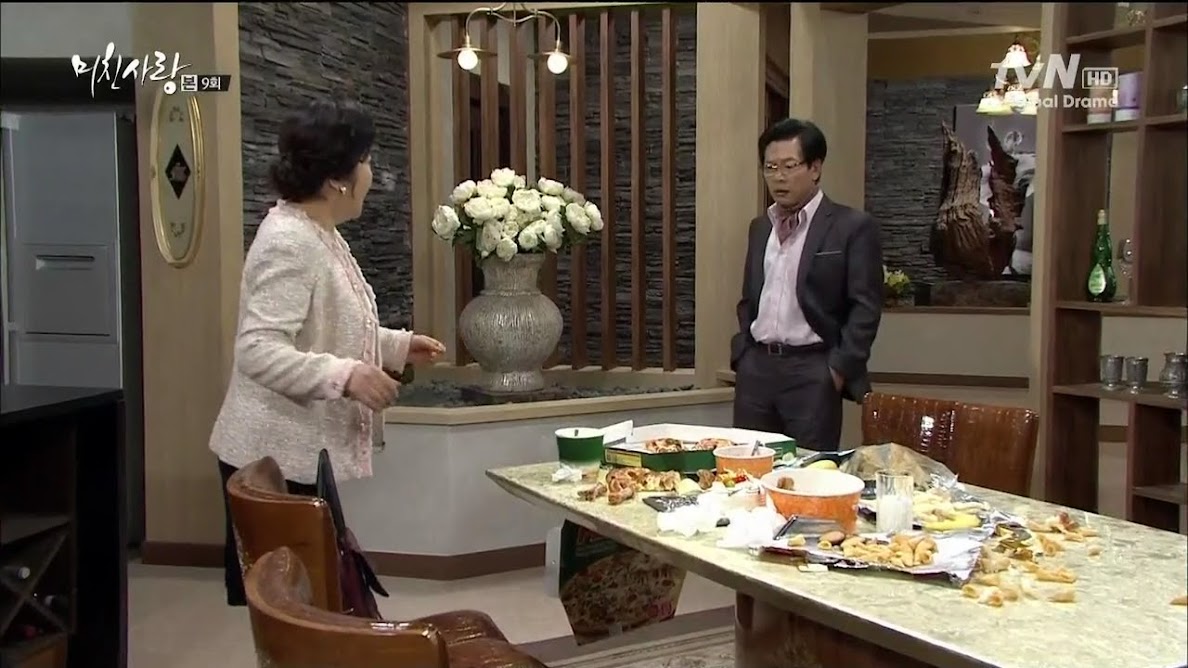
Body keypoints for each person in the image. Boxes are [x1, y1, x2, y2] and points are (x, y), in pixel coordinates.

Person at [209, 99, 445, 606]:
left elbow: (330, 323)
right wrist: (347, 376)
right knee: (300, 612)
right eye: (366, 161)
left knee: (326, 600)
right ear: (338, 178)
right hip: (271, 460)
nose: (371, 174)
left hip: (297, 456)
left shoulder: (318, 233)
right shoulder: (290, 241)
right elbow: (257, 349)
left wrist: (396, 345)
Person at [730, 118, 883, 452]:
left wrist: (838, 369)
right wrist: (743, 353)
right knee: (748, 466)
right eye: (770, 167)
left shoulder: (851, 226)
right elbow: (750, 298)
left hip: (813, 370)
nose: (779, 177)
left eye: (789, 166)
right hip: (756, 369)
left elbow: (866, 307)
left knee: (810, 468)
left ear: (815, 168)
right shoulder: (760, 227)